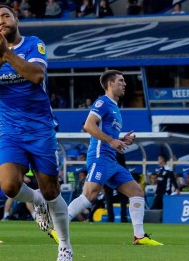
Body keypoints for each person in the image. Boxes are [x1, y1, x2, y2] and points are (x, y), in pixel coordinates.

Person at [0, 4, 73, 261]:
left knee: (52, 191)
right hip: (11, 132)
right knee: (9, 187)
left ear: (16, 19)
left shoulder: (34, 44)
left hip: (40, 129)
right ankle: (35, 200)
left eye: (6, 16)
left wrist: (7, 54)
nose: (1, 21)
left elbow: (36, 75)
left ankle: (65, 247)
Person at [61, 70, 163, 246]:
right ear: (110, 84)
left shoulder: (115, 108)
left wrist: (121, 140)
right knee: (89, 195)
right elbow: (88, 125)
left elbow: (109, 135)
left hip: (111, 161)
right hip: (100, 157)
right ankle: (59, 225)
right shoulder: (103, 102)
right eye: (121, 81)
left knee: (137, 192)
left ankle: (139, 236)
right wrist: (110, 140)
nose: (124, 84)